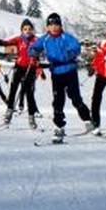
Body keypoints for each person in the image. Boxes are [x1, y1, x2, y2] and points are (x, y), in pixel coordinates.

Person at [28, 13, 94, 143]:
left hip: (70, 71)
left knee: (75, 98)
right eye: (51, 25)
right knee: (58, 101)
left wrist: (71, 53)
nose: (54, 28)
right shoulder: (45, 39)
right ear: (47, 27)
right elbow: (33, 48)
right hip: (56, 73)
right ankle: (59, 127)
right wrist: (34, 51)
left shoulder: (66, 37)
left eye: (56, 25)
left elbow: (76, 46)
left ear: (60, 26)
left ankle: (87, 120)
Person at [0, 18, 46, 129]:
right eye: (25, 29)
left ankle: (31, 117)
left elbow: (43, 48)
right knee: (13, 89)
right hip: (19, 66)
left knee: (29, 93)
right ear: (22, 30)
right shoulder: (19, 39)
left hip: (30, 67)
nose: (27, 31)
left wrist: (38, 56)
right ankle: (8, 114)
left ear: (32, 30)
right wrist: (0, 42)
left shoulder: (36, 40)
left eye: (29, 29)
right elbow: (7, 43)